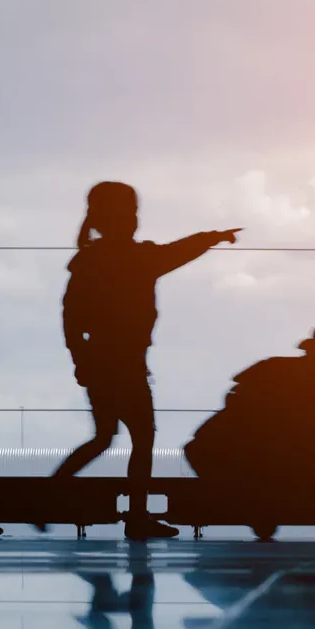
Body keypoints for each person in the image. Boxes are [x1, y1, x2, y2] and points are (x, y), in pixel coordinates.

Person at [50, 180, 239, 539]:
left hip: (100, 362)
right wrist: (214, 236)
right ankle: (136, 515)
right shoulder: (138, 259)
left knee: (105, 436)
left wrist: (80, 360)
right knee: (141, 438)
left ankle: (50, 493)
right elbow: (179, 251)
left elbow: (70, 317)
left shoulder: (90, 261)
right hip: (125, 365)